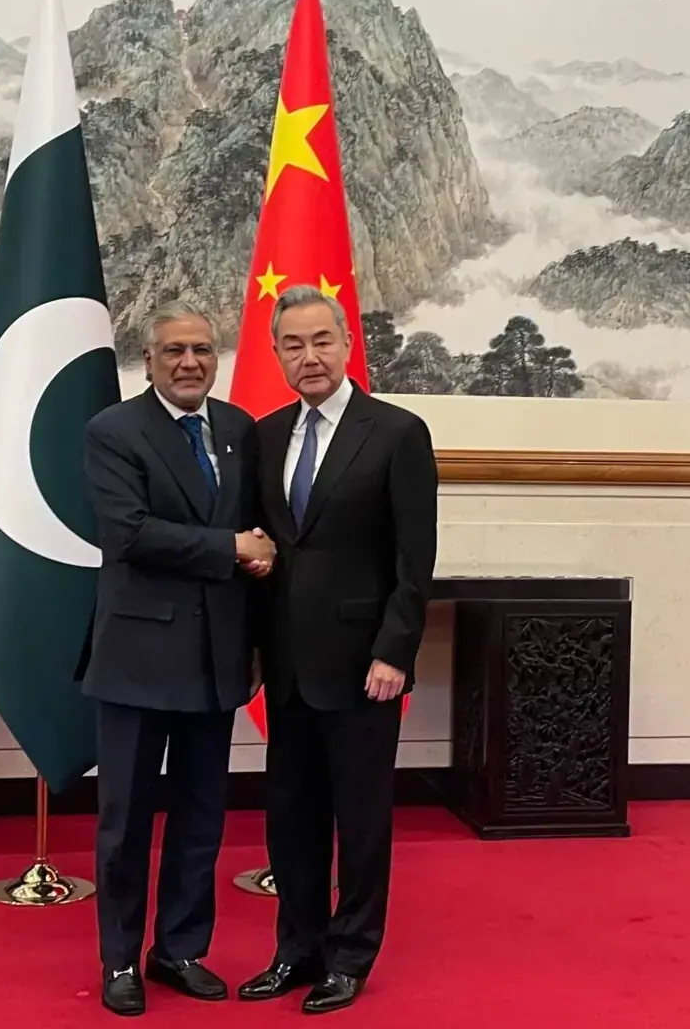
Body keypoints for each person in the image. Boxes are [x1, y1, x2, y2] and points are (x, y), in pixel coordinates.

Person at [237, 285, 439, 1015]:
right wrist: (251, 648)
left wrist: (395, 650)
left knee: (359, 820)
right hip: (286, 666)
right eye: (293, 345)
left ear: (348, 343)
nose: (309, 356)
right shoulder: (261, 436)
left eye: (321, 340)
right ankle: (295, 949)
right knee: (289, 819)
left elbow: (415, 560)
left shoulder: (396, 432)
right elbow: (261, 552)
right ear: (278, 355)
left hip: (363, 667)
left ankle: (350, 955)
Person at [80, 303, 276, 1017]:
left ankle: (181, 950)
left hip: (217, 655)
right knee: (127, 819)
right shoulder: (114, 431)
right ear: (149, 359)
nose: (189, 362)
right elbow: (130, 534)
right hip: (137, 656)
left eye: (201, 349)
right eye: (174, 352)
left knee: (202, 816)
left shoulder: (238, 431)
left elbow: (256, 533)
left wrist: (254, 636)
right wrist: (231, 551)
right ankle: (120, 960)